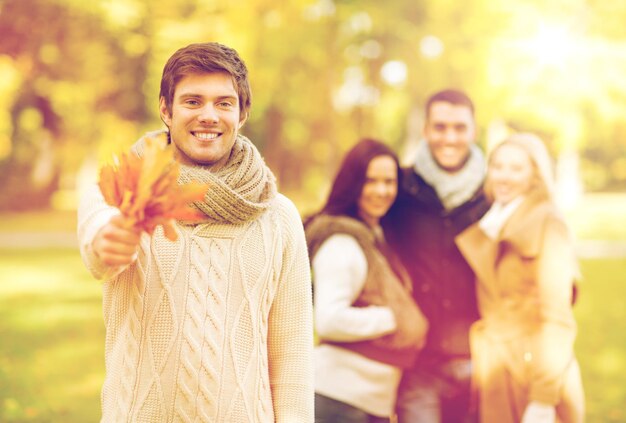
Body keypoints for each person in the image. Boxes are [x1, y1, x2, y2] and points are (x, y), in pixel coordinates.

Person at [77, 42, 314, 422]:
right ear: (165, 110)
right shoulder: (121, 192)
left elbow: (292, 356)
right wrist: (110, 240)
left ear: (243, 113)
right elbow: (98, 240)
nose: (209, 115)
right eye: (192, 101)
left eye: (224, 103)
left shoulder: (279, 216)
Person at [455, 133, 585, 423]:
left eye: (516, 168)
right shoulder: (494, 221)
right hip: (498, 371)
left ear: (535, 175)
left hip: (536, 375)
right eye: (498, 166)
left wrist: (542, 398)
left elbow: (557, 319)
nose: (504, 176)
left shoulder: (548, 223)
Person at [384, 89, 490, 422]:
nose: (450, 137)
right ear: (426, 130)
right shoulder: (400, 189)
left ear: (473, 131)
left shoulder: (492, 195)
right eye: (440, 127)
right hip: (419, 364)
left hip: (481, 362)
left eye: (459, 128)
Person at [304, 138, 428, 423]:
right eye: (370, 181)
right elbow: (329, 320)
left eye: (389, 182)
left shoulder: (376, 236)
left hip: (366, 404)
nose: (382, 191)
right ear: (353, 184)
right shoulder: (342, 242)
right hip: (339, 402)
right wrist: (393, 318)